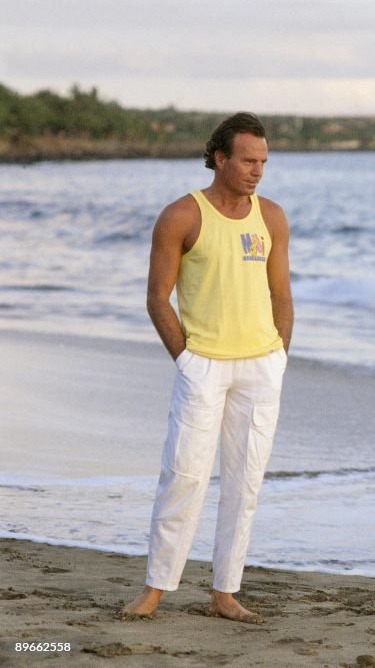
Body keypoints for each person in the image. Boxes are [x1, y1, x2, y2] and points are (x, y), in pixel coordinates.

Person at [121, 112, 293, 623]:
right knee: (184, 475)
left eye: (263, 162)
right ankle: (156, 587)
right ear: (219, 157)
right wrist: (188, 359)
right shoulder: (182, 215)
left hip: (261, 367)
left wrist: (279, 356)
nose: (257, 171)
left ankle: (225, 592)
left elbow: (281, 293)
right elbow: (157, 298)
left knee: (245, 483)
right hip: (204, 368)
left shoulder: (273, 217)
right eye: (247, 160)